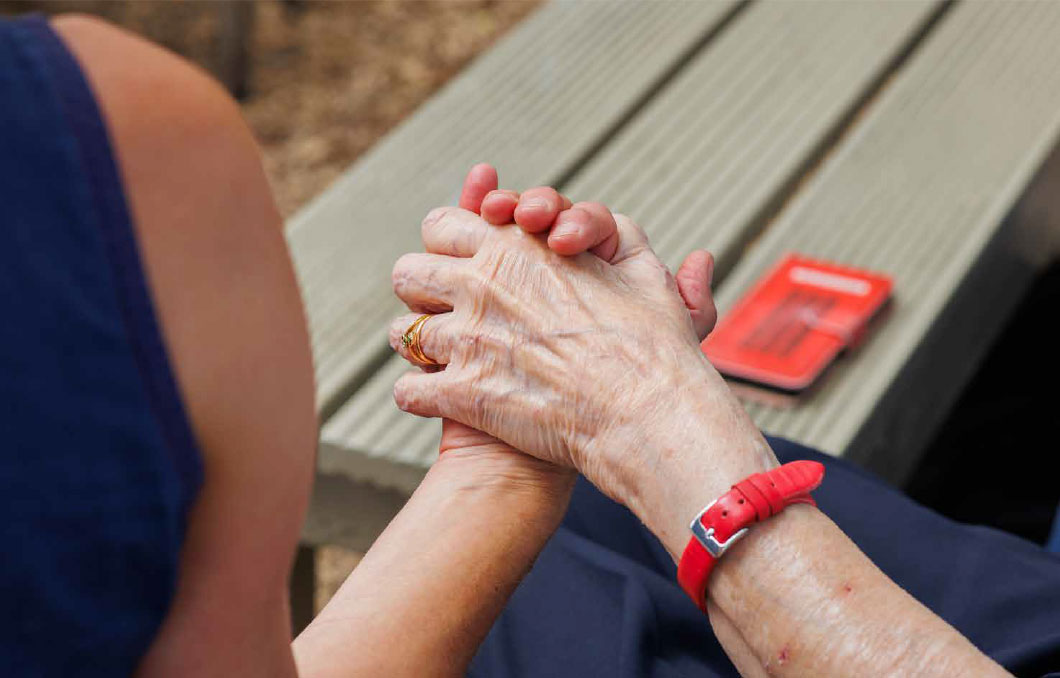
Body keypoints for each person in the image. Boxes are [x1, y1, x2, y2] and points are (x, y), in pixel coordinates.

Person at [1, 12, 1058, 678]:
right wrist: (610, 420)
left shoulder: (116, 146)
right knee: (580, 541)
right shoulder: (121, 144)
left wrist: (635, 417)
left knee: (566, 571)